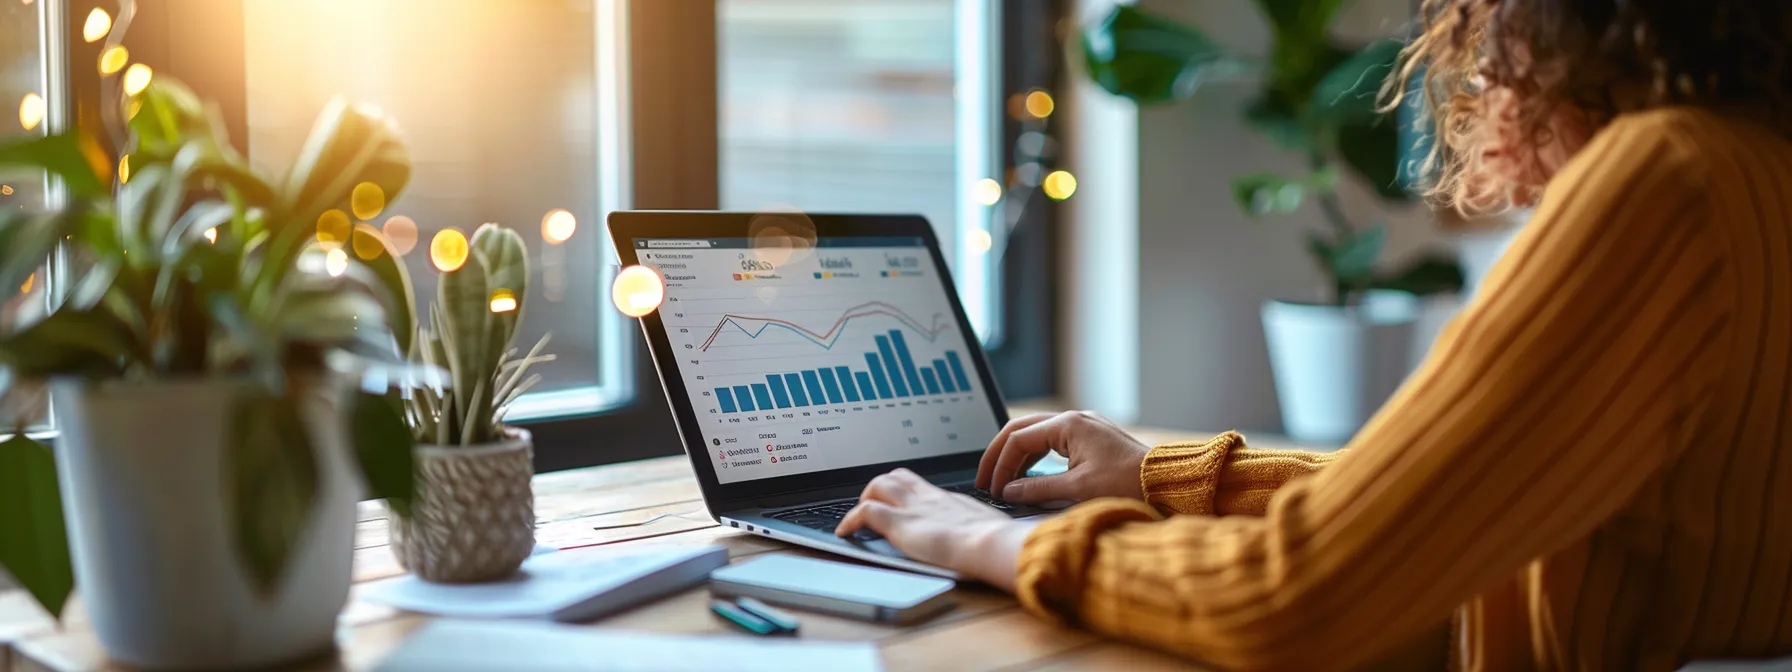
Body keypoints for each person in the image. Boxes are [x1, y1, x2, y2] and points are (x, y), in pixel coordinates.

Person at [834, 1, 1792, 669]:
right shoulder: (1756, 173)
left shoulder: (1670, 182)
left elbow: (1306, 594)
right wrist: (1162, 476)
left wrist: (990, 545)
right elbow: (1445, 497)